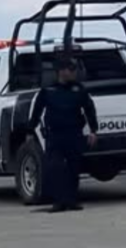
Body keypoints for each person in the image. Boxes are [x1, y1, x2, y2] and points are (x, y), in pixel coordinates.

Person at [29, 57, 99, 213]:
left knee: (74, 168)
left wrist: (93, 130)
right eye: (71, 69)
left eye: (75, 69)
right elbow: (37, 111)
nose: (74, 73)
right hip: (55, 135)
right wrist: (30, 131)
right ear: (62, 71)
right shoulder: (48, 90)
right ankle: (58, 201)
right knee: (55, 168)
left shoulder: (79, 90)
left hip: (73, 133)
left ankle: (72, 200)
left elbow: (89, 110)